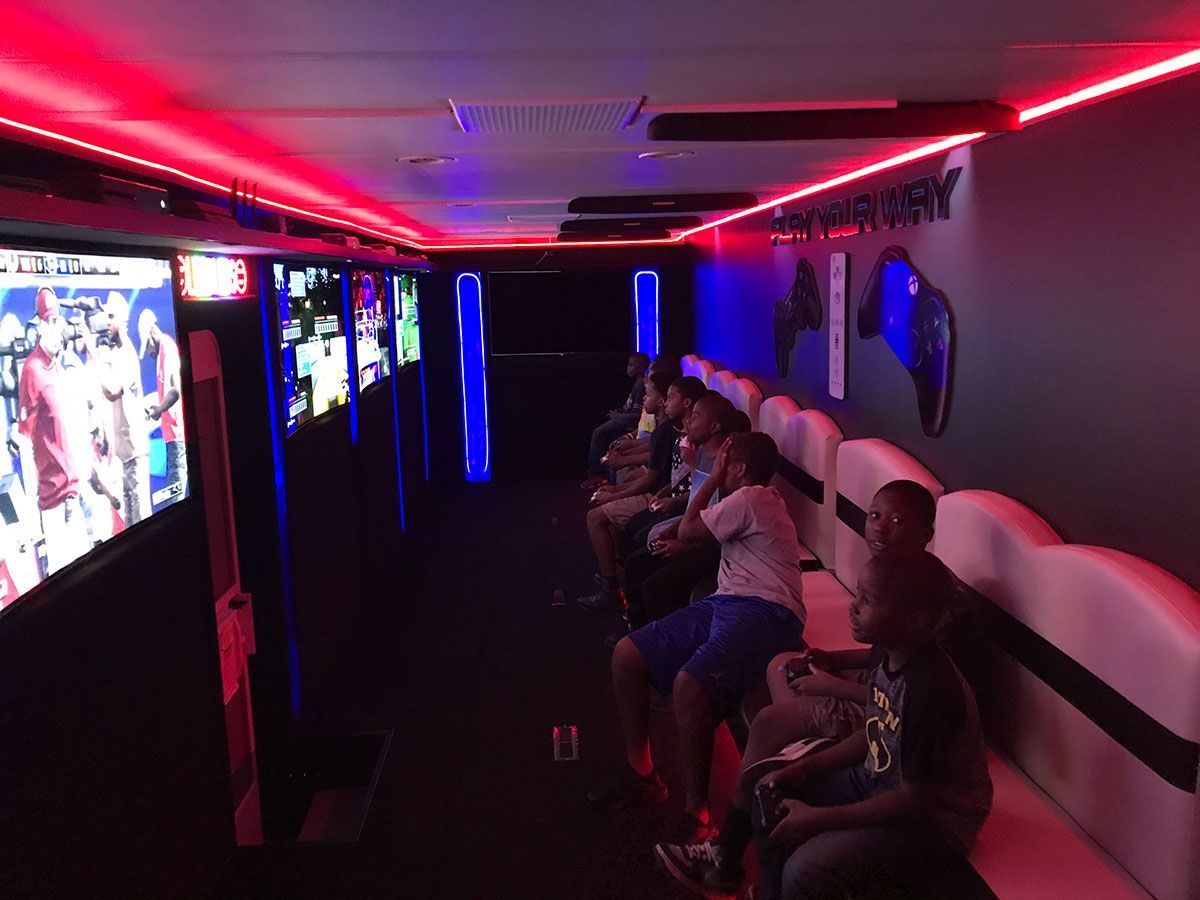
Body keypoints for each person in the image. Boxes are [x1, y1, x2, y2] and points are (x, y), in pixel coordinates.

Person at [656, 480, 946, 896]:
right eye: (875, 515)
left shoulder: (923, 603)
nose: (880, 528)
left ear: (925, 533)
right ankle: (800, 752)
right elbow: (885, 662)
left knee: (771, 722)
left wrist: (831, 685)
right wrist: (836, 659)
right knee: (781, 666)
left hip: (887, 725)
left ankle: (728, 851)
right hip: (878, 707)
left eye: (897, 520)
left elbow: (900, 703)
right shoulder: (895, 584)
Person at [590, 433, 806, 844]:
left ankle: (698, 816)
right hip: (728, 601)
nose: (718, 465)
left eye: (724, 461)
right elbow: (694, 530)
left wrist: (710, 479)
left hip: (769, 610)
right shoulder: (750, 502)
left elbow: (691, 530)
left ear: (738, 468)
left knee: (689, 684)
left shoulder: (752, 497)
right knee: (627, 654)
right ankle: (642, 774)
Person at [745, 549, 992, 900]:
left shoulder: (931, 690)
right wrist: (806, 767)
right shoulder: (886, 653)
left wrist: (818, 818)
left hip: (936, 824)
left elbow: (915, 801)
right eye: (858, 595)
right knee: (767, 791)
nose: (853, 606)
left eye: (867, 600)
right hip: (881, 781)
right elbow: (875, 732)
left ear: (914, 620)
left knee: (805, 867)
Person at [609, 392, 745, 644]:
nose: (689, 422)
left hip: (714, 544)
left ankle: (667, 644)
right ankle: (640, 633)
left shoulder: (726, 464)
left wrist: (683, 543)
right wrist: (676, 530)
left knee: (655, 586)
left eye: (696, 416)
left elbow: (718, 520)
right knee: (637, 561)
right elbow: (697, 502)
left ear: (714, 427)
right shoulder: (701, 452)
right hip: (696, 531)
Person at [575, 374, 705, 611]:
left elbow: (654, 480)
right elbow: (668, 472)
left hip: (663, 499)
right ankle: (618, 575)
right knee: (615, 505)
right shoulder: (674, 432)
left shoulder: (679, 436)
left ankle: (613, 587)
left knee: (596, 517)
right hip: (664, 495)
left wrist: (615, 492)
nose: (647, 398)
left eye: (653, 394)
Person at [16, 288, 95, 575]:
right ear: (39, 325)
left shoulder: (58, 368)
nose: (56, 326)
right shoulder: (32, 370)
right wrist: (31, 516)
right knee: (67, 581)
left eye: (57, 320)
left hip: (76, 491)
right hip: (55, 502)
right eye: (49, 321)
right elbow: (25, 442)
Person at [101, 293, 150, 525]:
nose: (107, 322)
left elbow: (112, 390)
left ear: (122, 319)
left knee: (141, 521)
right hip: (124, 454)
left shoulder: (127, 354)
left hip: (135, 453)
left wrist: (95, 356)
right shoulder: (116, 353)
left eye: (111, 317)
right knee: (131, 524)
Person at [582, 351, 650, 490]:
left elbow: (636, 414)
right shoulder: (637, 384)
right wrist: (619, 412)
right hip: (624, 418)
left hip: (629, 424)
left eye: (632, 365)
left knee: (599, 432)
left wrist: (618, 417)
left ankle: (596, 473)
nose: (628, 368)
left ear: (642, 368)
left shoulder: (641, 386)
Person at [138, 308, 186, 499]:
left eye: (148, 346)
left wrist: (158, 410)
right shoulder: (163, 352)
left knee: (176, 491)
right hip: (171, 434)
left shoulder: (167, 348)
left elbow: (175, 391)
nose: (149, 352)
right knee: (174, 488)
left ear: (152, 332)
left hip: (177, 433)